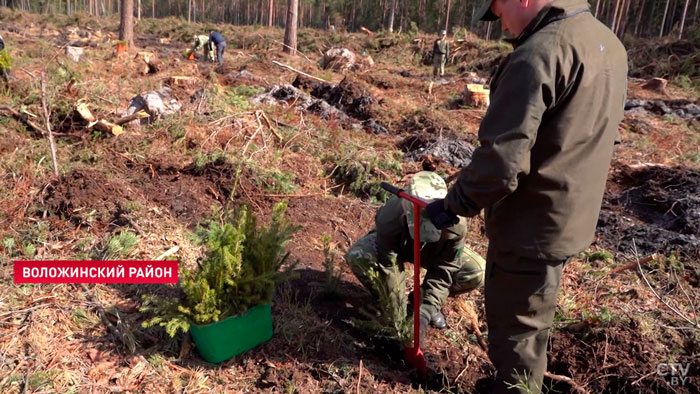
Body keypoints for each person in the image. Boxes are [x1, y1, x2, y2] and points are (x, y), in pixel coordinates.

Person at [424, 0, 628, 392]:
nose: (501, 22)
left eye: (498, 9)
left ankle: (515, 386)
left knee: (517, 330)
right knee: (533, 316)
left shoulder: (538, 55)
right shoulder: (607, 43)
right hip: (571, 214)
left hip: (531, 225)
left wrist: (454, 204)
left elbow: (502, 164)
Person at [346, 172, 485, 344]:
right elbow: (390, 266)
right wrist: (398, 316)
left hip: (433, 251)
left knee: (477, 271)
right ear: (406, 210)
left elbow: (444, 270)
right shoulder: (389, 217)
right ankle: (392, 306)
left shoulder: (455, 224)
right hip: (400, 246)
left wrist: (425, 313)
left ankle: (421, 300)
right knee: (358, 256)